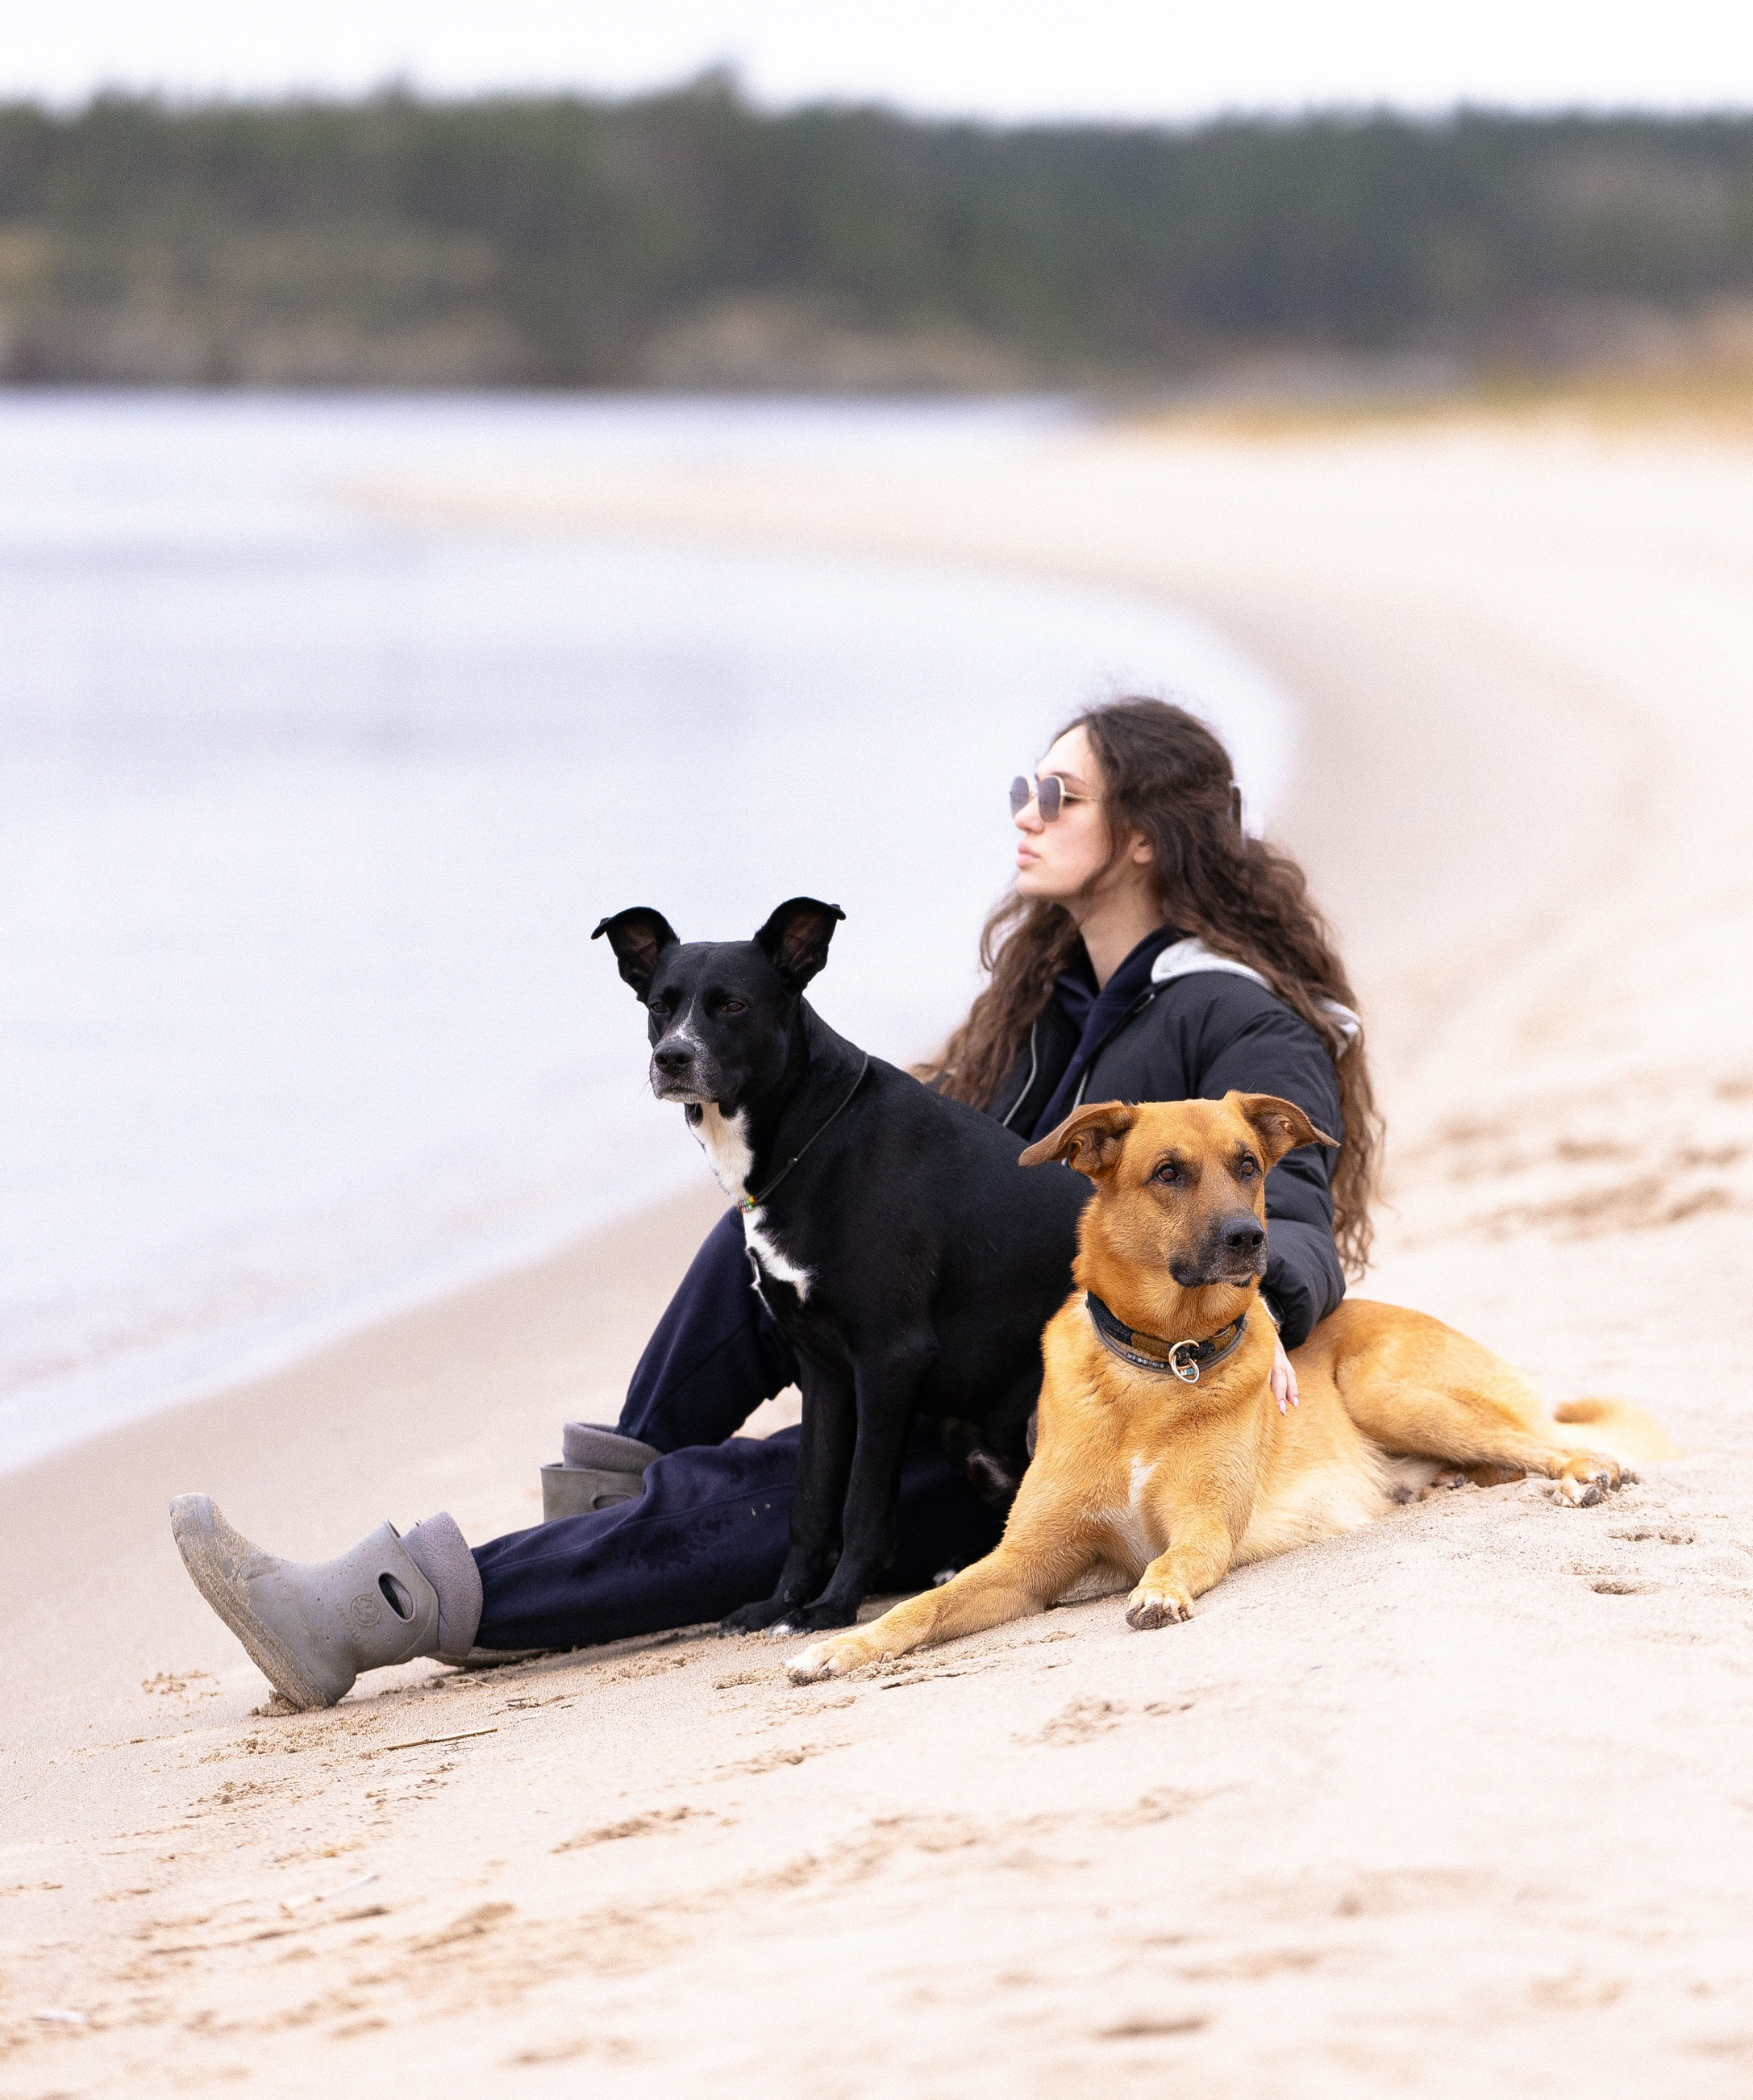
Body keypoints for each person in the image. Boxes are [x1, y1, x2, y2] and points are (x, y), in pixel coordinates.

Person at [170, 696, 1380, 1708]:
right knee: (777, 1223)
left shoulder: (1234, 1015)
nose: (1027, 811)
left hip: (1052, 1437)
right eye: (1025, 784)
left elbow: (1293, 1217)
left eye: (1060, 795)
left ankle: (388, 1604)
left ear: (1147, 838)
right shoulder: (1043, 1000)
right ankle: (613, 1503)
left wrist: (1259, 1310)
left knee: (753, 1496)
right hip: (939, 1360)